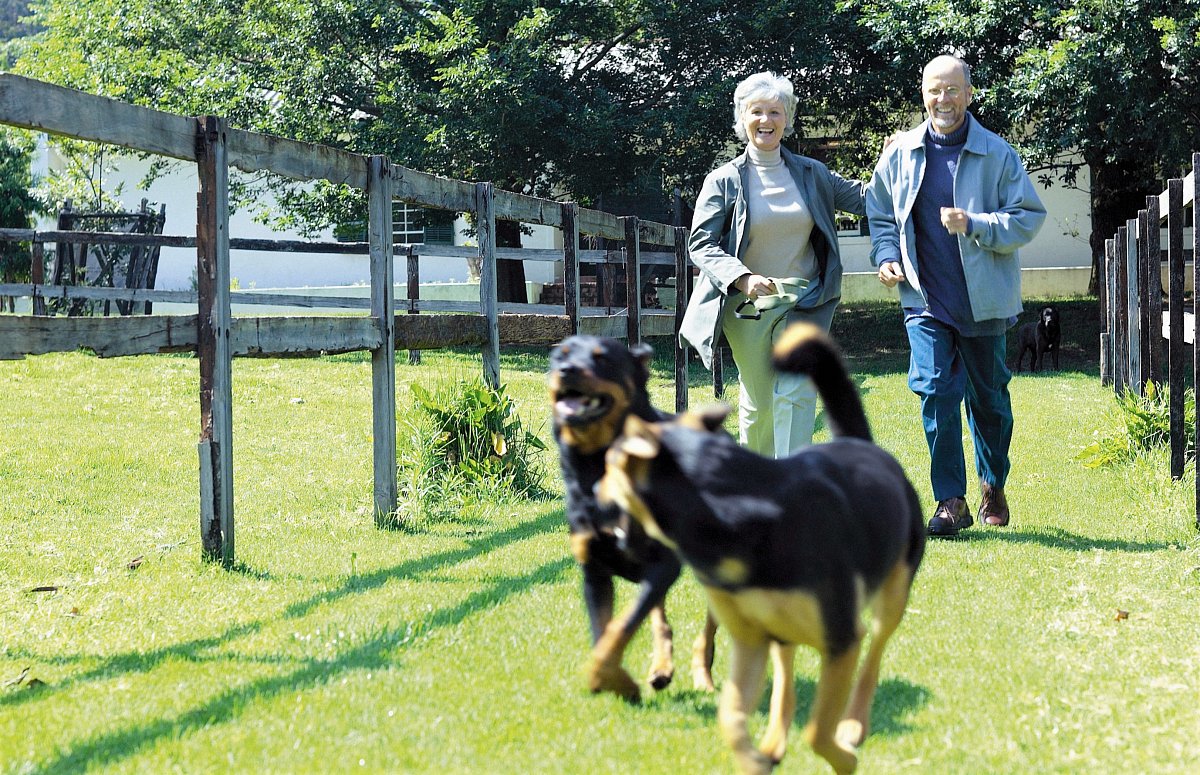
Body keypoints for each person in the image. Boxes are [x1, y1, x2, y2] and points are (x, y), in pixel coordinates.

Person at [866, 55, 1047, 536]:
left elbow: (1028, 216)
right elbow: (880, 213)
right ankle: (951, 501)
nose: (942, 99)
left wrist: (976, 225)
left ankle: (993, 483)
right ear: (922, 94)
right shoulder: (900, 152)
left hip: (984, 301)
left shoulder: (997, 153)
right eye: (933, 90)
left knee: (989, 402)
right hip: (923, 300)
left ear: (969, 94)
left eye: (951, 90)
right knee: (935, 393)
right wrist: (886, 256)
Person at [680, 71, 867, 458]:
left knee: (797, 391)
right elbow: (700, 243)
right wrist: (742, 277)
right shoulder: (724, 180)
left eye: (775, 112)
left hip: (805, 299)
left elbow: (869, 200)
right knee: (760, 402)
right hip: (748, 306)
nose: (766, 121)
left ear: (788, 118)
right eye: (757, 112)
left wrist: (896, 159)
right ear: (742, 118)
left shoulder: (813, 174)